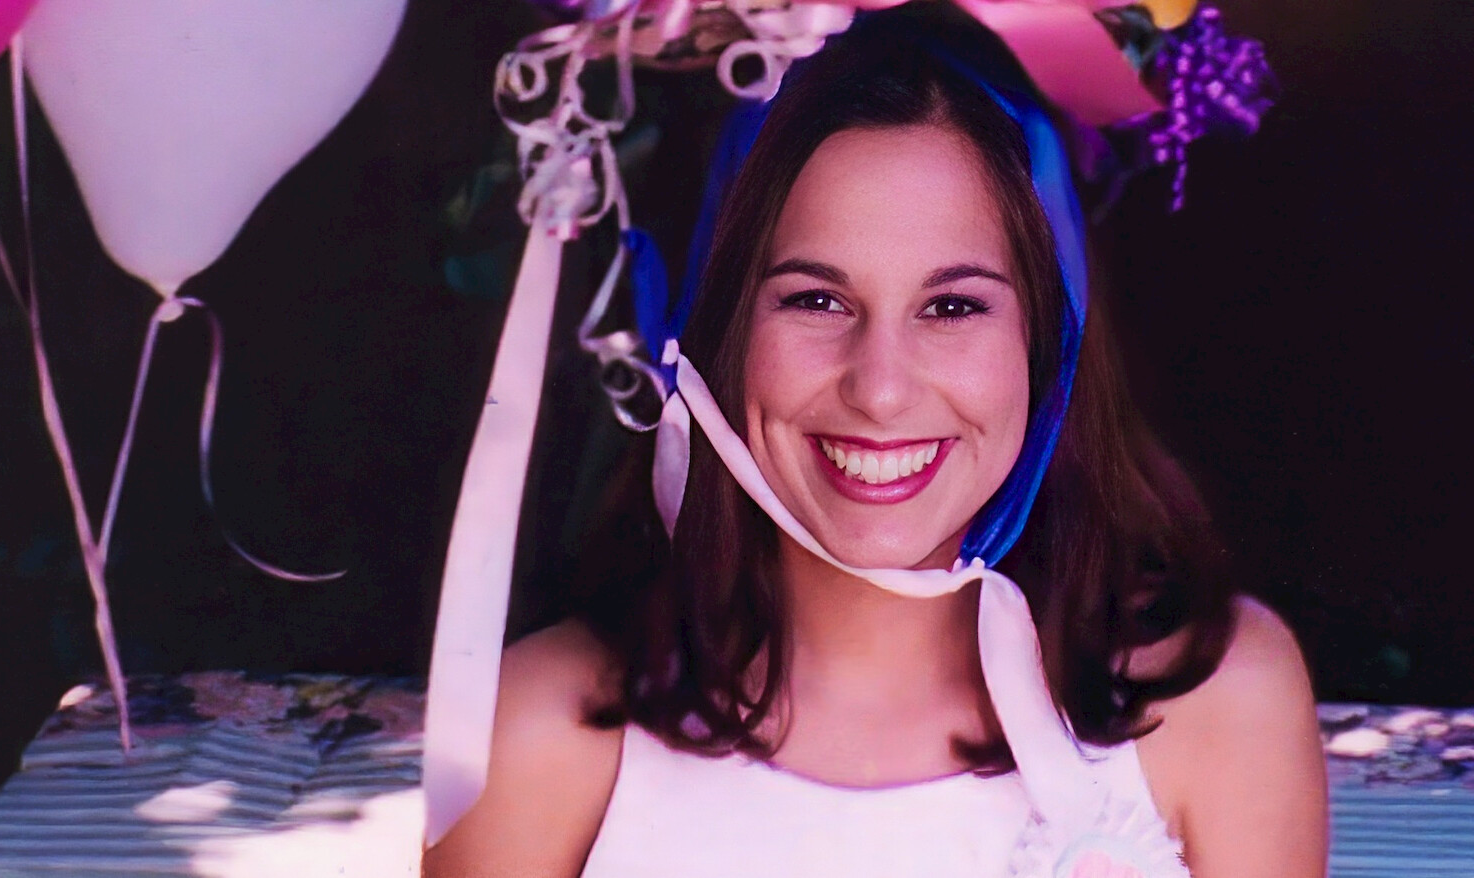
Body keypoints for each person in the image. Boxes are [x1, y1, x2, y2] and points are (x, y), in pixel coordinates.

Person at [423, 4, 1326, 876]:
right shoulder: (543, 734)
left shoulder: (1218, 703)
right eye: (816, 300)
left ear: (1050, 343)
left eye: (953, 306)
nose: (881, 390)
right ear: (713, 328)